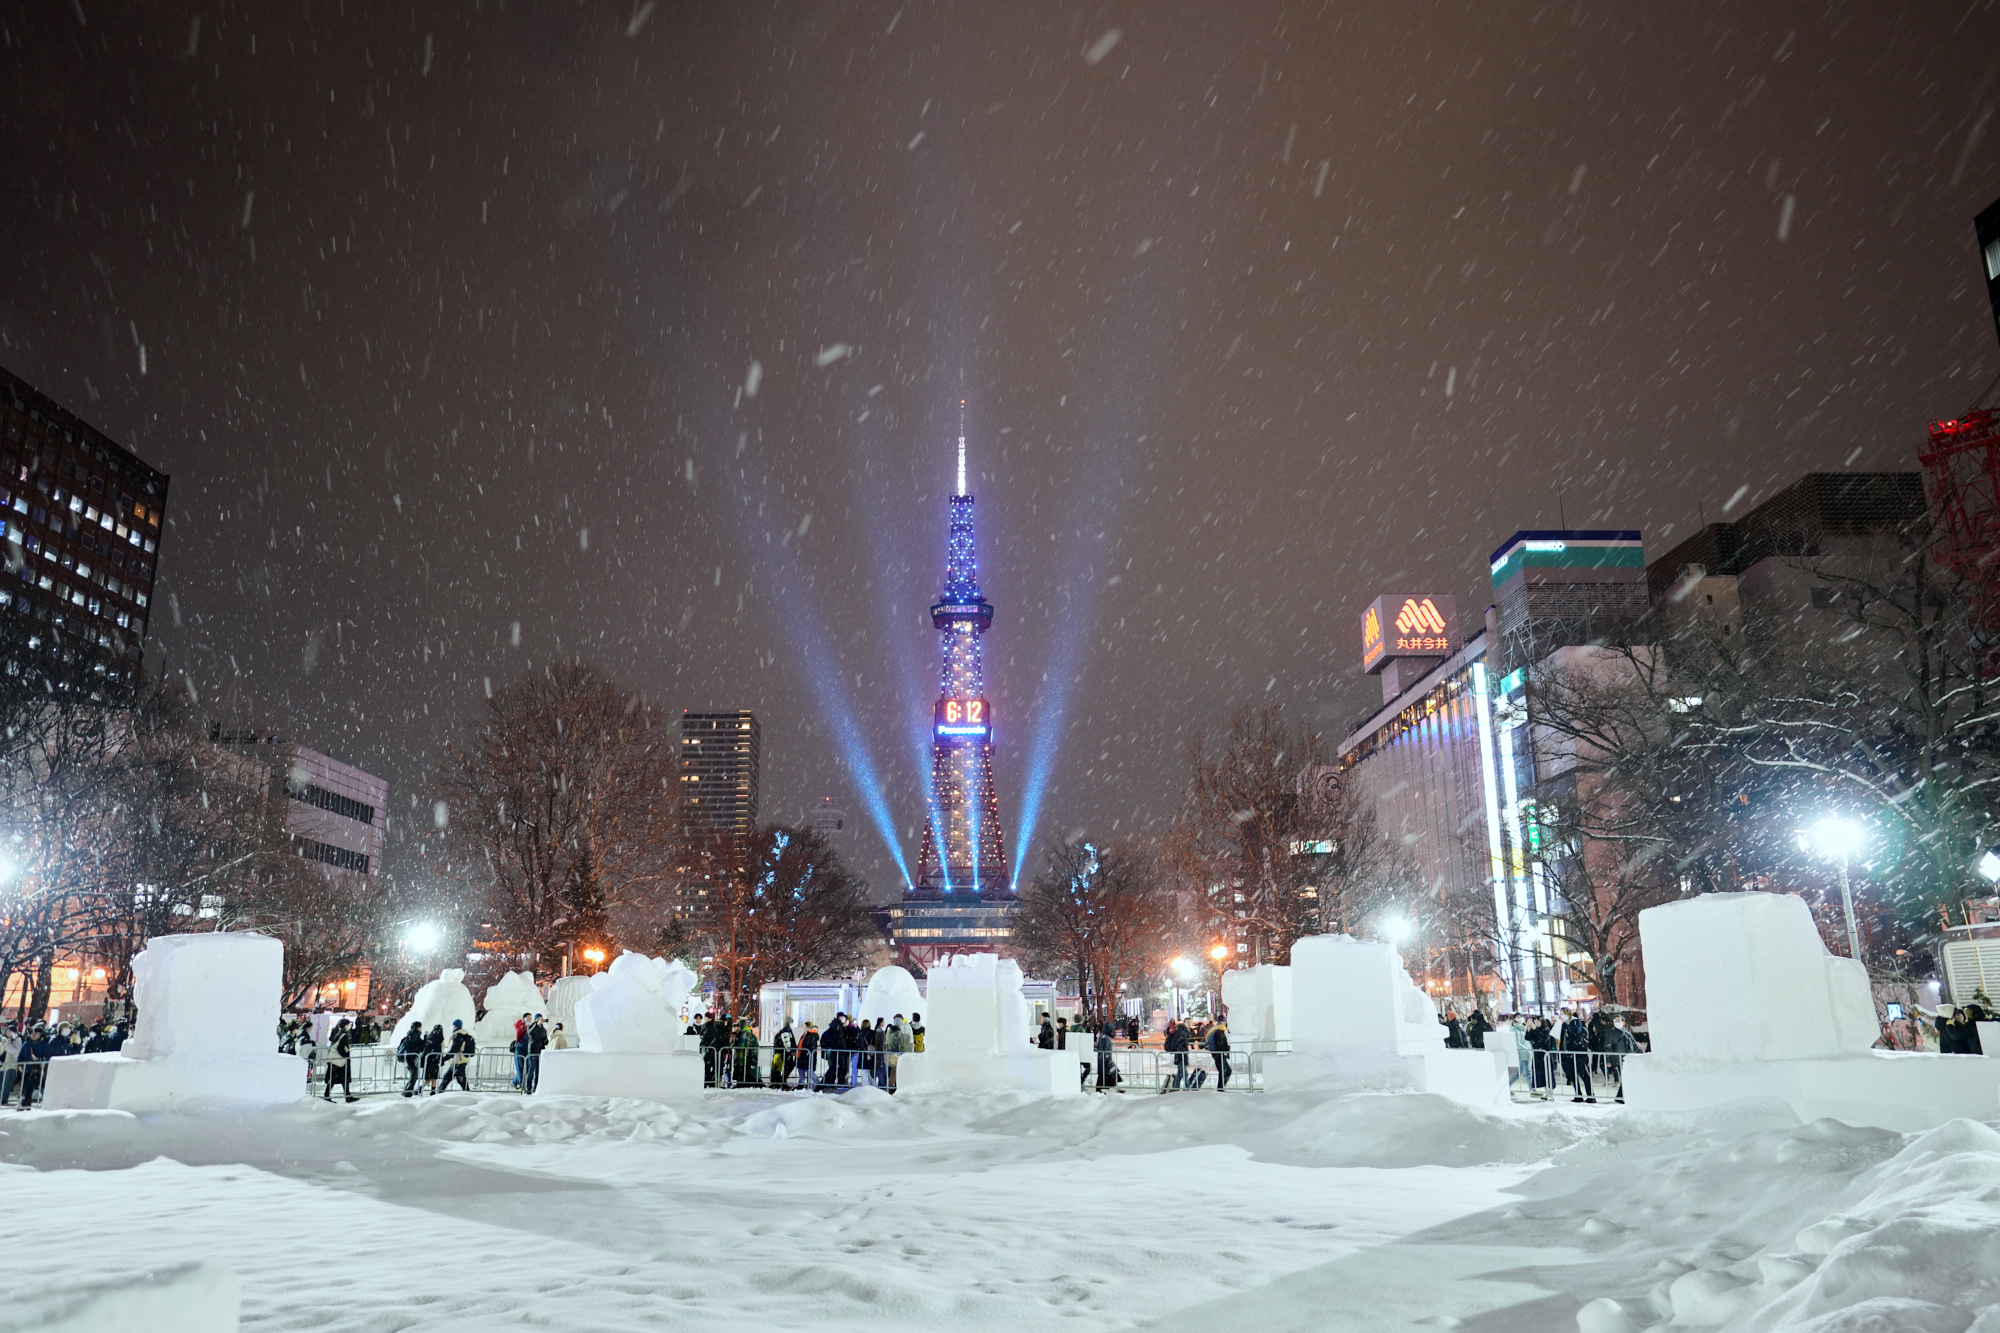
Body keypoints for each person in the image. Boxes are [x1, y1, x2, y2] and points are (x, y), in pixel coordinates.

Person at [1558, 1010, 1594, 1103]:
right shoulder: (1562, 1024)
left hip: (1578, 1052)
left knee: (1584, 1074)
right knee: (1572, 1075)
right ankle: (1578, 1094)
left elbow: (1576, 1032)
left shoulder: (1575, 1021)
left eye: (1563, 1013)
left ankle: (1590, 1095)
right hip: (1567, 1052)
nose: (1562, 1015)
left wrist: (1565, 1025)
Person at [323, 1019, 355, 1102]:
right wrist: (345, 1055)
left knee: (339, 1079)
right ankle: (346, 1096)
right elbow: (341, 1048)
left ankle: (347, 1095)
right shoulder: (343, 1035)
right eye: (348, 1024)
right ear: (345, 1025)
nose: (349, 1026)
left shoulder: (338, 1033)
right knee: (339, 1078)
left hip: (335, 1060)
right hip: (339, 1060)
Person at [441, 1019, 475, 1092]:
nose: (451, 1027)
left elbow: (454, 1049)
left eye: (453, 1025)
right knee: (453, 1078)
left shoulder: (458, 1035)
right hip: (458, 1060)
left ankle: (439, 1092)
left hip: (458, 1060)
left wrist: (444, 1058)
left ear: (455, 1026)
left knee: (450, 1078)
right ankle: (439, 1091)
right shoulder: (462, 1034)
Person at [396, 1021, 425, 1097]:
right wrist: (426, 1037)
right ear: (417, 1028)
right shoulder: (416, 1035)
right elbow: (421, 1046)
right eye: (420, 1027)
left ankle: (407, 1091)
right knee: (414, 1076)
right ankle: (408, 1092)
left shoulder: (409, 1035)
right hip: (413, 1058)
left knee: (413, 1076)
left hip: (408, 1058)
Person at [1164, 1019, 1191, 1091]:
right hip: (1180, 1055)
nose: (1190, 1024)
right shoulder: (1181, 1030)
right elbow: (1175, 1042)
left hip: (1181, 1055)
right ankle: (1187, 1089)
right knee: (1185, 1074)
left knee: (1180, 1074)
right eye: (1188, 1022)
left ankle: (1176, 1089)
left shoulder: (1184, 1030)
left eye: (1191, 1022)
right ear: (1184, 1022)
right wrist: (1183, 1050)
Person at [884, 1014, 910, 1091]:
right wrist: (903, 1054)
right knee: (895, 1073)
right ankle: (891, 1088)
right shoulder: (899, 1033)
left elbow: (885, 1043)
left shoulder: (889, 1032)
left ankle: (890, 1087)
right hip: (896, 1056)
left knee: (891, 1073)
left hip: (888, 1055)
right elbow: (902, 1046)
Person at [1205, 1018, 1232, 1091]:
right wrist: (1226, 1048)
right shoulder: (1219, 1031)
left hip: (1217, 1053)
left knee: (1224, 1070)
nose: (1225, 1023)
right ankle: (1220, 1088)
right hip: (1219, 1054)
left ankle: (1221, 1087)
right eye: (1224, 1021)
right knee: (1225, 1070)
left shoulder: (1217, 1029)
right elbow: (1220, 1043)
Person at [523, 1015, 549, 1093]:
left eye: (541, 1019)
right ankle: (528, 1088)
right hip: (532, 1051)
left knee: (538, 1071)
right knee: (531, 1070)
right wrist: (536, 1024)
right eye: (538, 1019)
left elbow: (545, 1039)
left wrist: (545, 1041)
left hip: (540, 1051)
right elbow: (530, 1033)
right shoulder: (531, 1027)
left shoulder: (543, 1030)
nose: (540, 1020)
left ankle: (536, 1089)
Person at [1093, 1022, 1117, 1092]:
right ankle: (1101, 1089)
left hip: (1104, 1059)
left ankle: (1101, 1089)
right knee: (1107, 1073)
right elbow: (1104, 1048)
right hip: (1105, 1060)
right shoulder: (1105, 1038)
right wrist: (1106, 1057)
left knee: (1104, 1074)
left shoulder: (1104, 1036)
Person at [421, 1024, 444, 1095]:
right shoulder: (440, 1039)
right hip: (435, 1060)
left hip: (429, 1059)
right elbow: (441, 1048)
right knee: (434, 1076)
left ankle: (423, 1088)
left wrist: (425, 1036)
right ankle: (426, 1089)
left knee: (430, 1076)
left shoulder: (430, 1037)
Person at [799, 1020, 821, 1090]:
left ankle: (818, 1083)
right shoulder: (806, 1035)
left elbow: (810, 1046)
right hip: (803, 1056)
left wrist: (807, 1053)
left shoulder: (811, 1035)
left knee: (809, 1071)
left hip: (807, 1056)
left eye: (805, 1027)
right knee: (802, 1070)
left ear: (809, 1027)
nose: (804, 1028)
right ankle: (801, 1084)